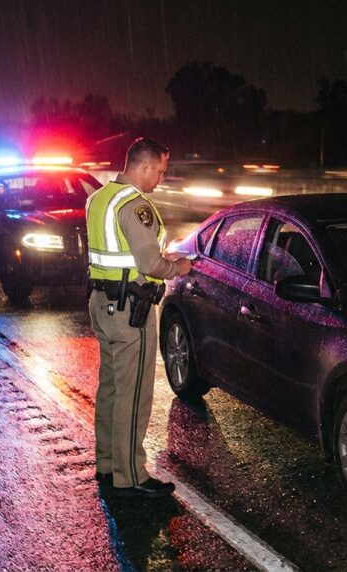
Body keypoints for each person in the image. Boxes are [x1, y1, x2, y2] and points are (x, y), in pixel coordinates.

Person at [85, 138, 192, 498]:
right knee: (133, 395)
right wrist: (178, 266)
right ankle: (130, 477)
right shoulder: (135, 205)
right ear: (144, 166)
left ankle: (107, 465)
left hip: (102, 302)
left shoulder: (99, 198)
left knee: (111, 389)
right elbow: (149, 264)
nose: (160, 178)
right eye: (160, 170)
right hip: (131, 309)